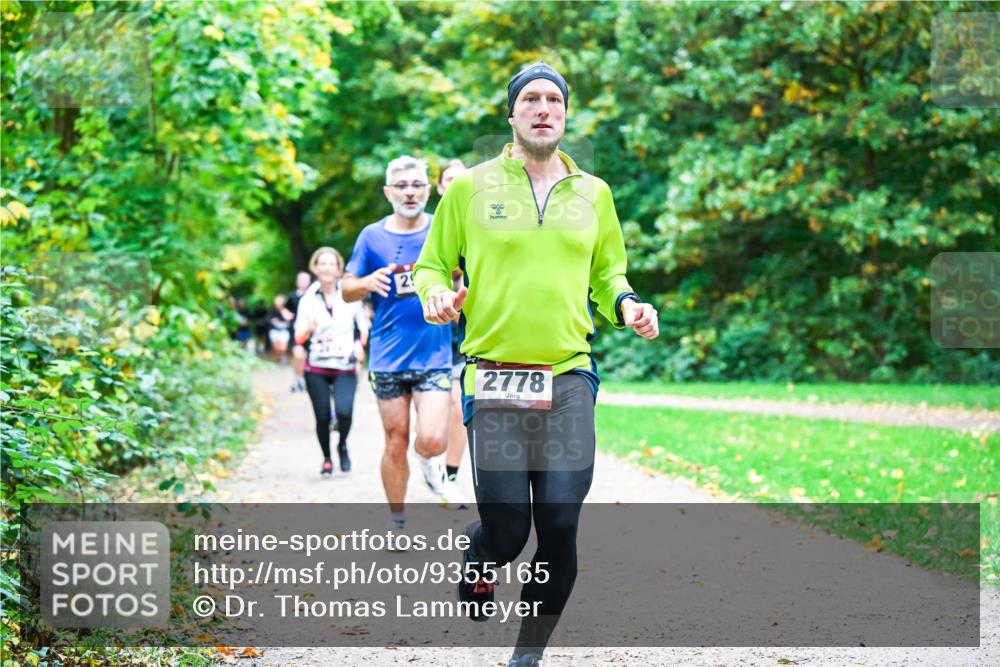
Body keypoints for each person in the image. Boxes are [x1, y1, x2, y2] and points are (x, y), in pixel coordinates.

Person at [414, 62, 659, 667]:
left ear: (566, 114)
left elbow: (607, 274)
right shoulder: (471, 188)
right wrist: (438, 298)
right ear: (512, 113)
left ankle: (527, 656)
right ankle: (480, 556)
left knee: (558, 523)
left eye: (554, 99)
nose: (543, 108)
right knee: (506, 532)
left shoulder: (593, 194)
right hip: (493, 375)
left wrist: (627, 304)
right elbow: (429, 266)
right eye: (531, 99)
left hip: (569, 375)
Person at [340, 155, 465, 534]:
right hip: (388, 356)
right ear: (388, 191)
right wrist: (367, 283)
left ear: (428, 190)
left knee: (432, 438)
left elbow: (465, 274)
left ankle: (431, 465)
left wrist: (459, 297)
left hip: (434, 353)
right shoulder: (371, 236)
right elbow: (346, 288)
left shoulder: (443, 231)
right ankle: (397, 519)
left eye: (417, 186)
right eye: (402, 186)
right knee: (395, 440)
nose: (410, 193)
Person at [294, 247, 369, 476]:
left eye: (331, 264)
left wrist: (360, 345)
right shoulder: (306, 300)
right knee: (323, 416)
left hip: (344, 364)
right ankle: (327, 458)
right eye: (322, 264)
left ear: (338, 269)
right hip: (316, 366)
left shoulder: (350, 296)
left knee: (344, 412)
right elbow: (298, 337)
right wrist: (309, 328)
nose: (326, 268)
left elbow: (363, 328)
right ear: (315, 268)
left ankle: (342, 445)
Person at [438, 160, 471, 509]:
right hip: (427, 340)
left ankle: (449, 475)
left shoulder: (482, 226)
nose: (456, 185)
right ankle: (431, 450)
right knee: (434, 416)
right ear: (440, 187)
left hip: (462, 340)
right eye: (449, 180)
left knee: (458, 405)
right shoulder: (431, 230)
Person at [287, 271, 313, 392]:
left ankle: (303, 379)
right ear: (297, 282)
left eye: (306, 280)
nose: (303, 282)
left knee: (306, 356)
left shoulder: (314, 296)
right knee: (298, 354)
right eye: (301, 280)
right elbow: (284, 310)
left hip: (310, 331)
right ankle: (297, 378)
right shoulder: (291, 296)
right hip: (296, 330)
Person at [266, 294, 294, 365]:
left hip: (283, 330)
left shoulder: (285, 310)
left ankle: (282, 357)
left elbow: (289, 319)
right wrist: (272, 321)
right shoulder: (272, 310)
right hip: (274, 330)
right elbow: (268, 320)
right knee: (276, 348)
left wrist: (284, 312)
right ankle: (278, 359)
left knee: (283, 347)